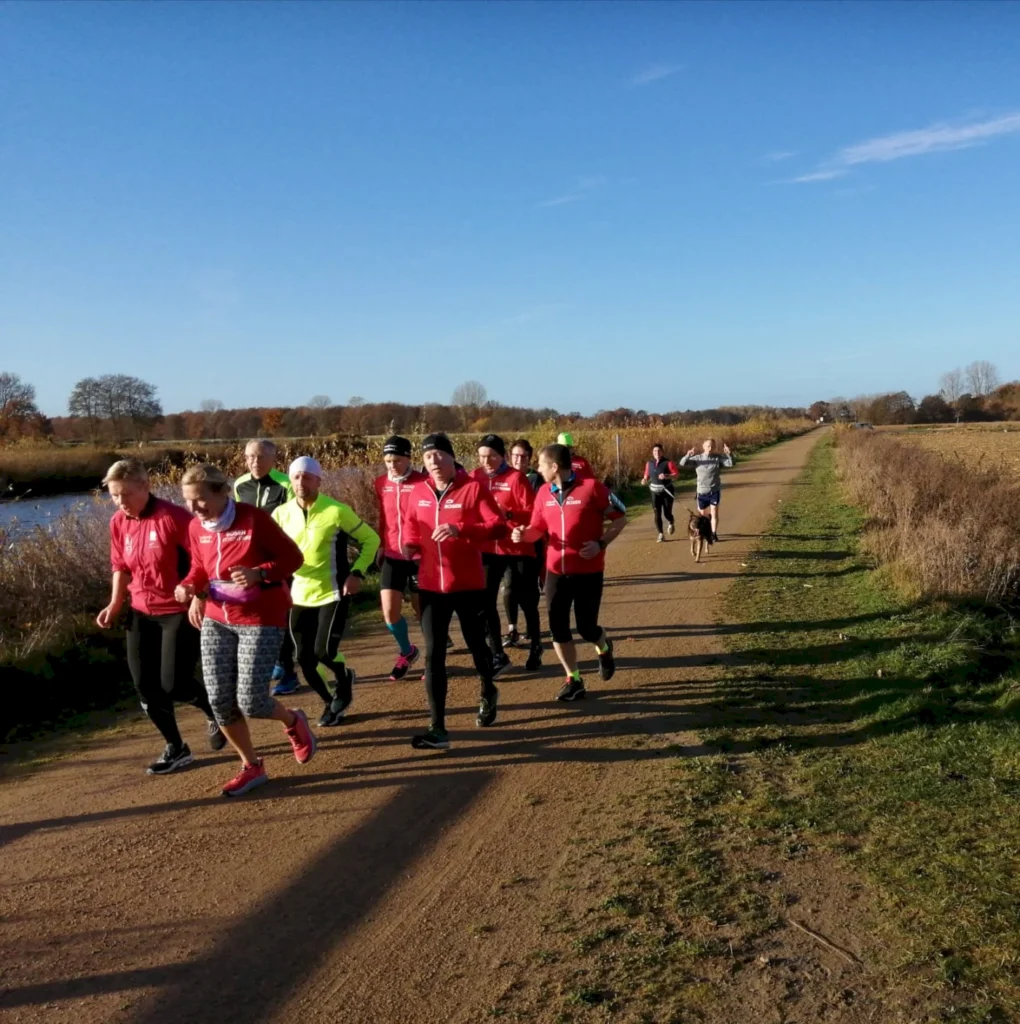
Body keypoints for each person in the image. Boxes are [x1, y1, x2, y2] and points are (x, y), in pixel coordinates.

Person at [175, 464, 316, 797]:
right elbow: (199, 567)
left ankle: (293, 721)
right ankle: (251, 765)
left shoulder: (254, 520)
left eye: (200, 500)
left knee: (251, 701)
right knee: (220, 700)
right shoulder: (197, 527)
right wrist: (188, 587)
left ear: (222, 492)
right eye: (188, 502)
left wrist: (260, 573)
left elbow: (293, 558)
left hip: (260, 616)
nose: (194, 509)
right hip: (216, 617)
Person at [96, 459, 225, 776]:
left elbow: (204, 559)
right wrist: (115, 604)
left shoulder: (174, 518)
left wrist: (199, 595)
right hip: (140, 610)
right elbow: (121, 567)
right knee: (145, 685)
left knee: (175, 684)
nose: (121, 501)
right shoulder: (118, 522)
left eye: (126, 494)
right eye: (114, 495)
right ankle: (176, 748)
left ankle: (217, 711)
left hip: (178, 611)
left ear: (145, 486)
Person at [400, 433, 507, 750]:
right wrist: (408, 544)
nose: (432, 461)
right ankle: (437, 728)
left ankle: (488, 687)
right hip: (431, 584)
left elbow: (498, 526)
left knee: (477, 645)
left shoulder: (472, 489)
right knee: (434, 653)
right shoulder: (417, 491)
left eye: (438, 454)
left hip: (468, 584)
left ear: (450, 457)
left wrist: (462, 529)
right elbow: (409, 523)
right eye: (428, 456)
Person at [513, 443, 626, 702]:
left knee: (586, 629)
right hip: (555, 571)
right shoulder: (543, 493)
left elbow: (620, 519)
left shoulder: (592, 488)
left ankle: (604, 646)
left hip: (588, 571)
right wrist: (522, 534)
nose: (537, 469)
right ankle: (573, 679)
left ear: (554, 467)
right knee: (558, 629)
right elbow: (536, 529)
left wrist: (601, 543)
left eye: (541, 464)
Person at [274, 457, 380, 726]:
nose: (301, 482)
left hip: (332, 592)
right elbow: (271, 552)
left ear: (318, 481)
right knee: (304, 659)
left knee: (323, 652)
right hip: (299, 595)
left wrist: (357, 573)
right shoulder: (281, 514)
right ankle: (329, 703)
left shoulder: (336, 511)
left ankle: (344, 679)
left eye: (307, 477)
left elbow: (371, 539)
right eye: (296, 477)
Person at [470, 434, 543, 675]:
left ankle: (536, 645)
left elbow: (534, 513)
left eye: (491, 456)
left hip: (517, 546)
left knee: (525, 598)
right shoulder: (475, 477)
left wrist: (509, 515)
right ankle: (498, 654)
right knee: (485, 600)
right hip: (489, 548)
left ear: (502, 456)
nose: (486, 461)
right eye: (482, 456)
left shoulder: (515, 478)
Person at [234, 439, 299, 697]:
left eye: (261, 457)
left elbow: (294, 518)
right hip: (252, 559)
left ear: (273, 460)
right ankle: (276, 664)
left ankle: (290, 672)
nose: (255, 462)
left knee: (278, 615)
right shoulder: (240, 485)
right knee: (257, 615)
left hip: (280, 558)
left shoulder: (285, 484)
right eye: (250, 457)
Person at [374, 436, 428, 680]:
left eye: (396, 460)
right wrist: (380, 544)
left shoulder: (423, 482)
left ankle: (432, 658)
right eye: (387, 460)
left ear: (408, 458)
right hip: (393, 554)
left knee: (422, 611)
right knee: (389, 611)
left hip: (419, 556)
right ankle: (408, 651)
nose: (391, 465)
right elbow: (383, 517)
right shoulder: (381, 483)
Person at [504, 438, 543, 647]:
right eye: (515, 455)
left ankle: (532, 629)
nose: (519, 459)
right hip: (510, 540)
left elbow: (537, 510)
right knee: (509, 585)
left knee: (529, 588)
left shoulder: (536, 479)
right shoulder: (505, 478)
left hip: (532, 538)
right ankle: (512, 628)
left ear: (530, 458)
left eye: (523, 456)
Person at [679, 439, 733, 542]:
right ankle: (704, 531)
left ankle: (713, 534)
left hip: (714, 490)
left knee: (714, 512)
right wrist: (688, 455)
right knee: (703, 516)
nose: (710, 448)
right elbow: (682, 463)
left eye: (712, 446)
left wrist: (729, 454)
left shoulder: (717, 458)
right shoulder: (698, 458)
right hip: (701, 492)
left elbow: (730, 464)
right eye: (708, 446)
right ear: (703, 446)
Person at [642, 443, 679, 543]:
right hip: (654, 492)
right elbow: (646, 474)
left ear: (662, 452)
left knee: (667, 513)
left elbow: (676, 475)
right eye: (654, 451)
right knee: (657, 514)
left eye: (659, 451)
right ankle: (661, 534)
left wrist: (667, 476)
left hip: (666, 491)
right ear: (652, 453)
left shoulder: (668, 462)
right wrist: (644, 479)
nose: (656, 453)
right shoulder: (649, 463)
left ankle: (671, 522)